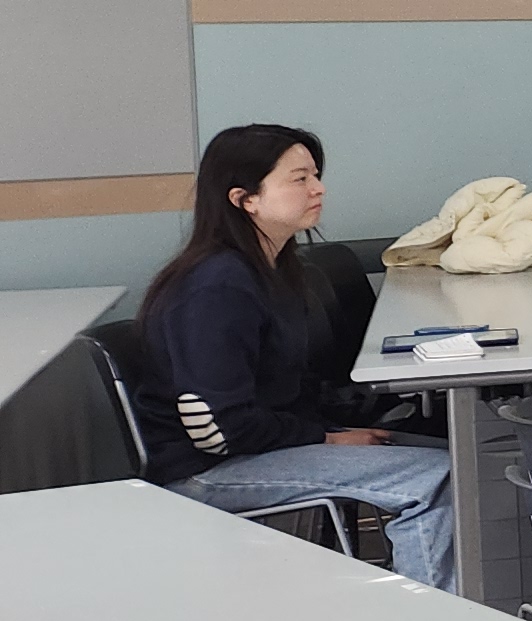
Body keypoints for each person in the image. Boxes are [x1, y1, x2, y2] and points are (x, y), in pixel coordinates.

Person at [134, 125, 459, 587]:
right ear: (245, 199)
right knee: (435, 478)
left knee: (453, 454)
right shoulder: (216, 287)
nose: (318, 188)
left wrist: (337, 430)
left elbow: (285, 387)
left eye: (315, 176)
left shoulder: (273, 269)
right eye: (300, 179)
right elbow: (221, 429)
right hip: (206, 470)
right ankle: (438, 620)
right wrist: (327, 439)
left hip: (259, 446)